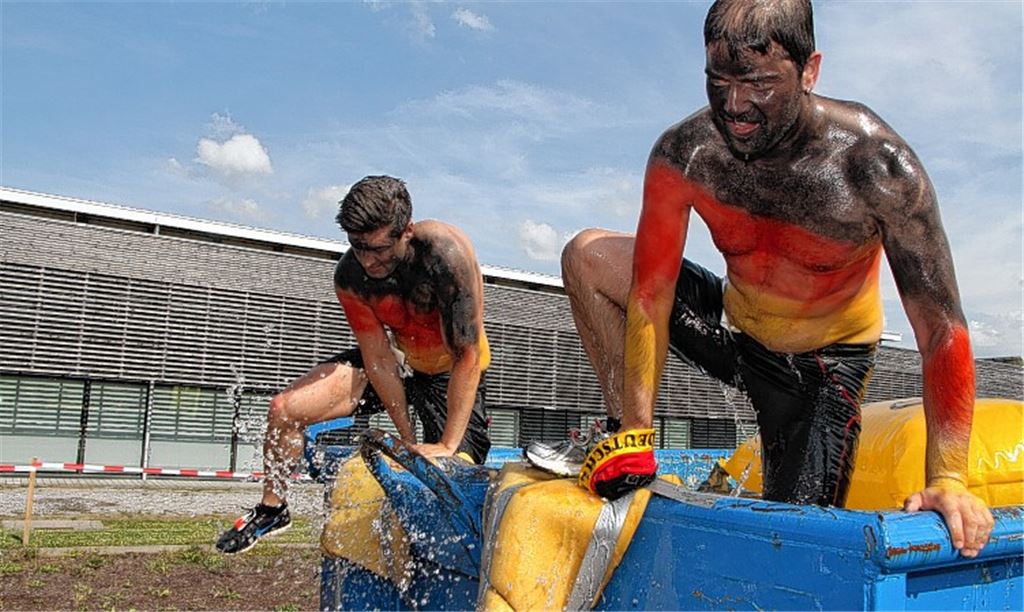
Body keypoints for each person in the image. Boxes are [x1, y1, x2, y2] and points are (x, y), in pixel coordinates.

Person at [545, 0, 993, 558]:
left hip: (821, 371)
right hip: (736, 333)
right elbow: (651, 291)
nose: (735, 105)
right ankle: (621, 437)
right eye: (719, 80)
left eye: (758, 83)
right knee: (587, 255)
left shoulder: (876, 167)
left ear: (809, 71)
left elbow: (942, 330)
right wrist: (636, 429)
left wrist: (947, 477)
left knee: (792, 541)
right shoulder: (688, 154)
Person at [217, 175, 492, 554]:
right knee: (284, 410)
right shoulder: (350, 276)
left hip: (451, 370)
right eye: (358, 247)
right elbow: (377, 358)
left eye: (379, 249)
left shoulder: (446, 255)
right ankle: (273, 508)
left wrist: (445, 444)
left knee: (452, 470)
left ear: (406, 231)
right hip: (399, 361)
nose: (368, 260)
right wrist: (407, 439)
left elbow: (468, 355)